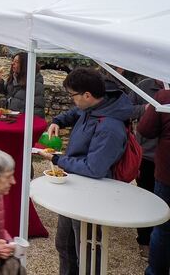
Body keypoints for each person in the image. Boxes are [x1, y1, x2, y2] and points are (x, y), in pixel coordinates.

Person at [40, 67, 133, 275]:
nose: (71, 100)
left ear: (87, 95)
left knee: (87, 252)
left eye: (72, 95)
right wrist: (57, 121)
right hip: (73, 186)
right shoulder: (93, 105)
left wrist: (57, 159)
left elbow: (94, 168)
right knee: (64, 244)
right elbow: (76, 112)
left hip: (91, 196)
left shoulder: (110, 128)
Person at [137, 84, 170, 275]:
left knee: (164, 227)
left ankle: (156, 271)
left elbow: (146, 129)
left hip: (167, 173)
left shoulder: (164, 96)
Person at [131, 76, 164, 259]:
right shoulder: (144, 86)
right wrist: (145, 109)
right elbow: (127, 109)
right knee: (145, 198)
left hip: (165, 158)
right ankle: (144, 240)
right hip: (147, 156)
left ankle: (160, 242)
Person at [0, 52, 46, 118]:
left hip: (23, 121)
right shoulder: (14, 78)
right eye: (13, 61)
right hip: (11, 118)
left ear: (24, 65)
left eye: (16, 62)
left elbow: (37, 109)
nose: (12, 63)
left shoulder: (35, 83)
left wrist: (28, 122)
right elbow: (2, 92)